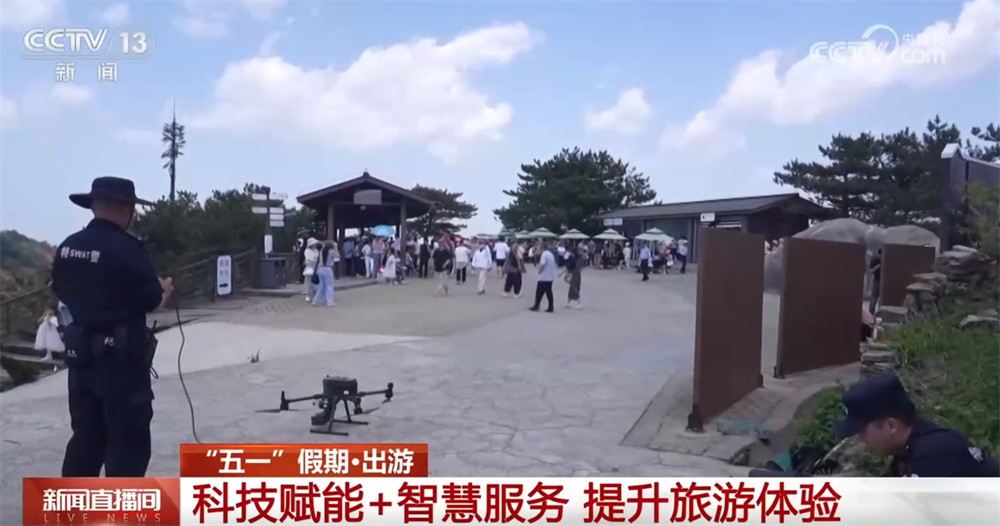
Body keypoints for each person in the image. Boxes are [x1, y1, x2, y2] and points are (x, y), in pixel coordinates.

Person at [53, 176, 174, 477]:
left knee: (85, 440)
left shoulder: (68, 247)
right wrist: (164, 290)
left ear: (94, 206)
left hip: (81, 359)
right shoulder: (129, 249)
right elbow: (150, 299)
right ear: (125, 208)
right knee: (127, 446)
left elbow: (61, 290)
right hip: (122, 365)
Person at [835, 371, 1000, 477]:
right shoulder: (906, 455)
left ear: (891, 426)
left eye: (862, 430)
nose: (861, 438)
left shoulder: (935, 455)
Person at [530, 241, 556, 313]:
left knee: (539, 292)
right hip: (549, 276)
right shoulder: (550, 254)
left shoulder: (544, 254)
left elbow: (542, 264)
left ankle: (536, 306)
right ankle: (550, 306)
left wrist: (539, 270)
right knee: (548, 293)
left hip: (544, 277)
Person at [312, 241, 336, 307]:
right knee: (329, 286)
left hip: (320, 268)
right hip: (328, 268)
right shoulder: (332, 252)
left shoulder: (321, 252)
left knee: (321, 286)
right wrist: (335, 248)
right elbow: (337, 257)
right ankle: (329, 301)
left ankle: (315, 300)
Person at [868, 248, 883, 316]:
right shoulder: (875, 260)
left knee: (878, 298)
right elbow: (870, 271)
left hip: (881, 282)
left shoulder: (887, 260)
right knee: (874, 298)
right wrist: (877, 267)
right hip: (877, 281)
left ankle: (877, 314)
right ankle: (871, 313)